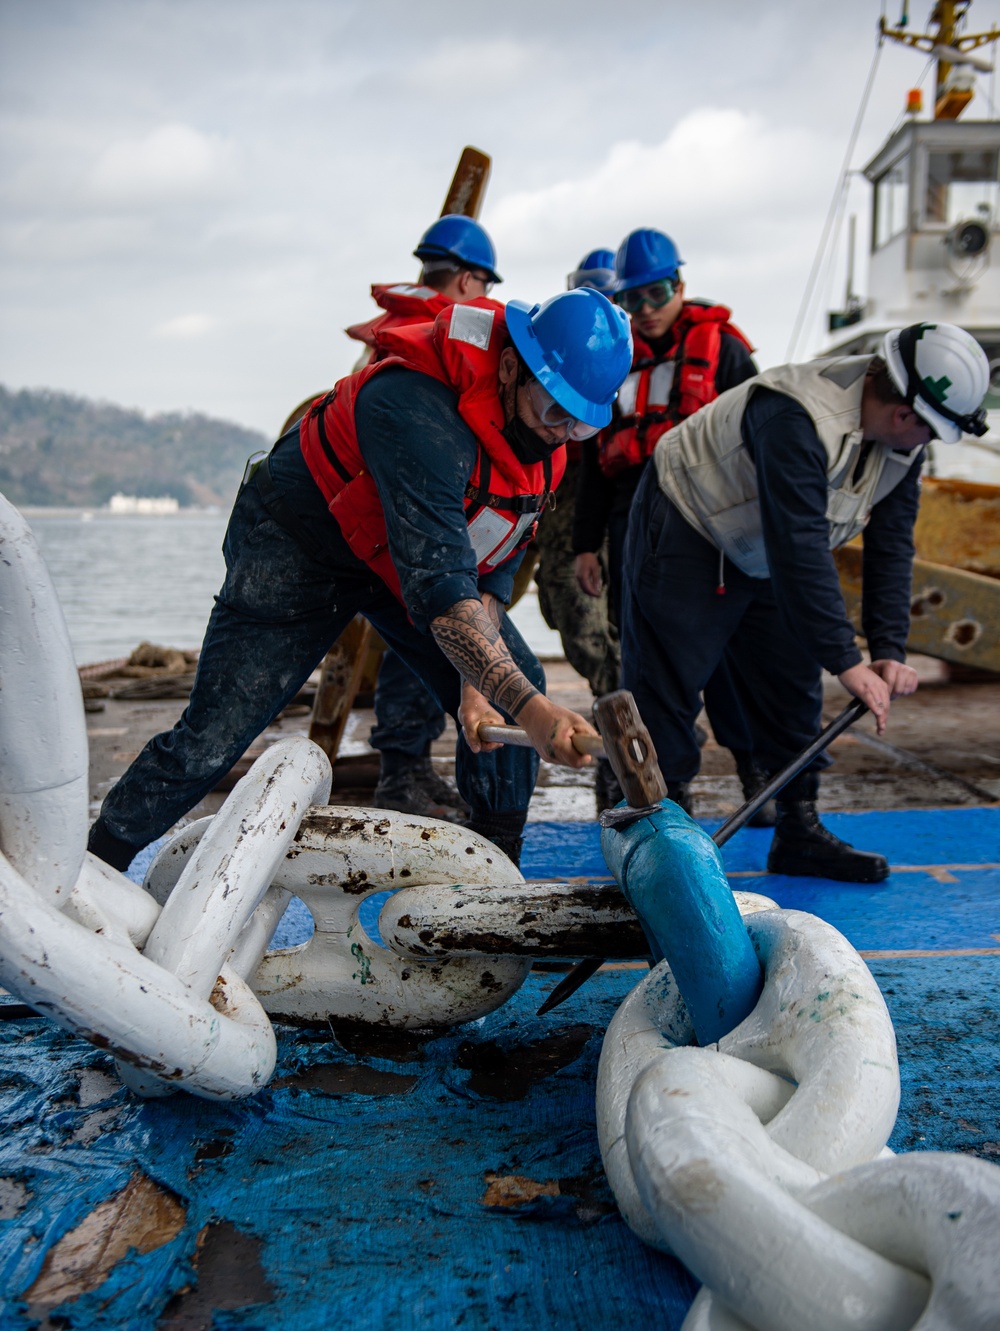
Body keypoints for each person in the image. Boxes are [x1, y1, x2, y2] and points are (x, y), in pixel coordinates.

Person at [87, 288, 634, 874]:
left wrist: (487, 687)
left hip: (406, 558)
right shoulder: (415, 410)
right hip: (302, 540)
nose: (560, 434)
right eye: (555, 413)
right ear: (508, 368)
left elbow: (494, 557)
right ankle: (94, 864)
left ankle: (495, 878)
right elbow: (444, 596)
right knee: (215, 735)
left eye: (579, 426)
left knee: (508, 691)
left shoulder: (541, 442)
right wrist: (533, 711)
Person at [620, 320, 990, 882]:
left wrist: (887, 648)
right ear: (904, 415)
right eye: (932, 432)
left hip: (764, 547)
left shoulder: (902, 447)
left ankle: (799, 830)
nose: (929, 446)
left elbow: (891, 547)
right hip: (691, 522)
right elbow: (801, 547)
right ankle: (663, 844)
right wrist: (846, 660)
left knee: (790, 684)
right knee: (667, 683)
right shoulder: (796, 415)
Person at [571, 227, 771, 817]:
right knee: (647, 663)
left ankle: (755, 772)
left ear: (680, 285)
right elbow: (590, 462)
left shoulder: (727, 353)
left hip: (715, 530)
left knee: (734, 659)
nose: (648, 310)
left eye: (658, 293)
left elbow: (763, 444)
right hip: (632, 524)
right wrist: (586, 546)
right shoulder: (614, 358)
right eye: (633, 299)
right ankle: (667, 788)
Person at [345, 214, 505, 822]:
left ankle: (408, 768)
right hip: (412, 510)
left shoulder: (392, 332)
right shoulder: (444, 335)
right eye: (484, 286)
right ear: (467, 281)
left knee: (409, 637)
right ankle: (402, 773)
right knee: (427, 629)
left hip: (371, 508)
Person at [530, 251, 623, 807]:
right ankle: (619, 733)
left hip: (613, 528)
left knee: (608, 635)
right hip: (563, 529)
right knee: (573, 618)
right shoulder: (561, 367)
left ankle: (622, 746)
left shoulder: (623, 370)